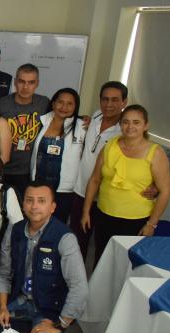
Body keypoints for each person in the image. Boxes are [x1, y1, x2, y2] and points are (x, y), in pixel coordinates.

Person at [0, 181, 88, 333]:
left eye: (42, 201)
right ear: (23, 205)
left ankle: (35, 330)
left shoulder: (65, 238)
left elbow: (79, 287)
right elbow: (3, 272)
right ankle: (25, 329)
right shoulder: (15, 230)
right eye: (29, 200)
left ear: (52, 207)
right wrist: (3, 307)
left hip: (49, 307)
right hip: (19, 297)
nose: (34, 206)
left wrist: (60, 324)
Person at [82, 105, 170, 265]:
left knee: (126, 264)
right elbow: (95, 179)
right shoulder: (109, 146)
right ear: (121, 124)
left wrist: (151, 224)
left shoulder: (155, 153)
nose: (130, 127)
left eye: (136, 122)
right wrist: (86, 210)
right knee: (101, 260)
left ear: (146, 125)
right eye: (126, 122)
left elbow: (165, 191)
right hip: (104, 215)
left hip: (136, 221)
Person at [70, 81, 127, 260]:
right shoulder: (95, 117)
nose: (109, 104)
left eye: (115, 100)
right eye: (105, 99)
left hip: (104, 198)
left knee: (102, 248)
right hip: (80, 191)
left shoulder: (124, 131)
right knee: (78, 242)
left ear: (124, 102)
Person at [30, 88, 86, 222]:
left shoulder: (83, 126)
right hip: (38, 184)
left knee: (57, 226)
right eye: (60, 102)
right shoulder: (41, 121)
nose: (64, 107)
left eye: (69, 104)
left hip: (64, 191)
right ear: (53, 103)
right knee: (36, 221)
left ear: (75, 106)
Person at [0, 63, 50, 198]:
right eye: (21, 81)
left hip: (30, 171)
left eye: (31, 82)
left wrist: (83, 118)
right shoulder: (2, 103)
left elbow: (63, 114)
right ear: (15, 82)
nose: (25, 87)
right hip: (3, 169)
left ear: (37, 83)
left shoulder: (44, 103)